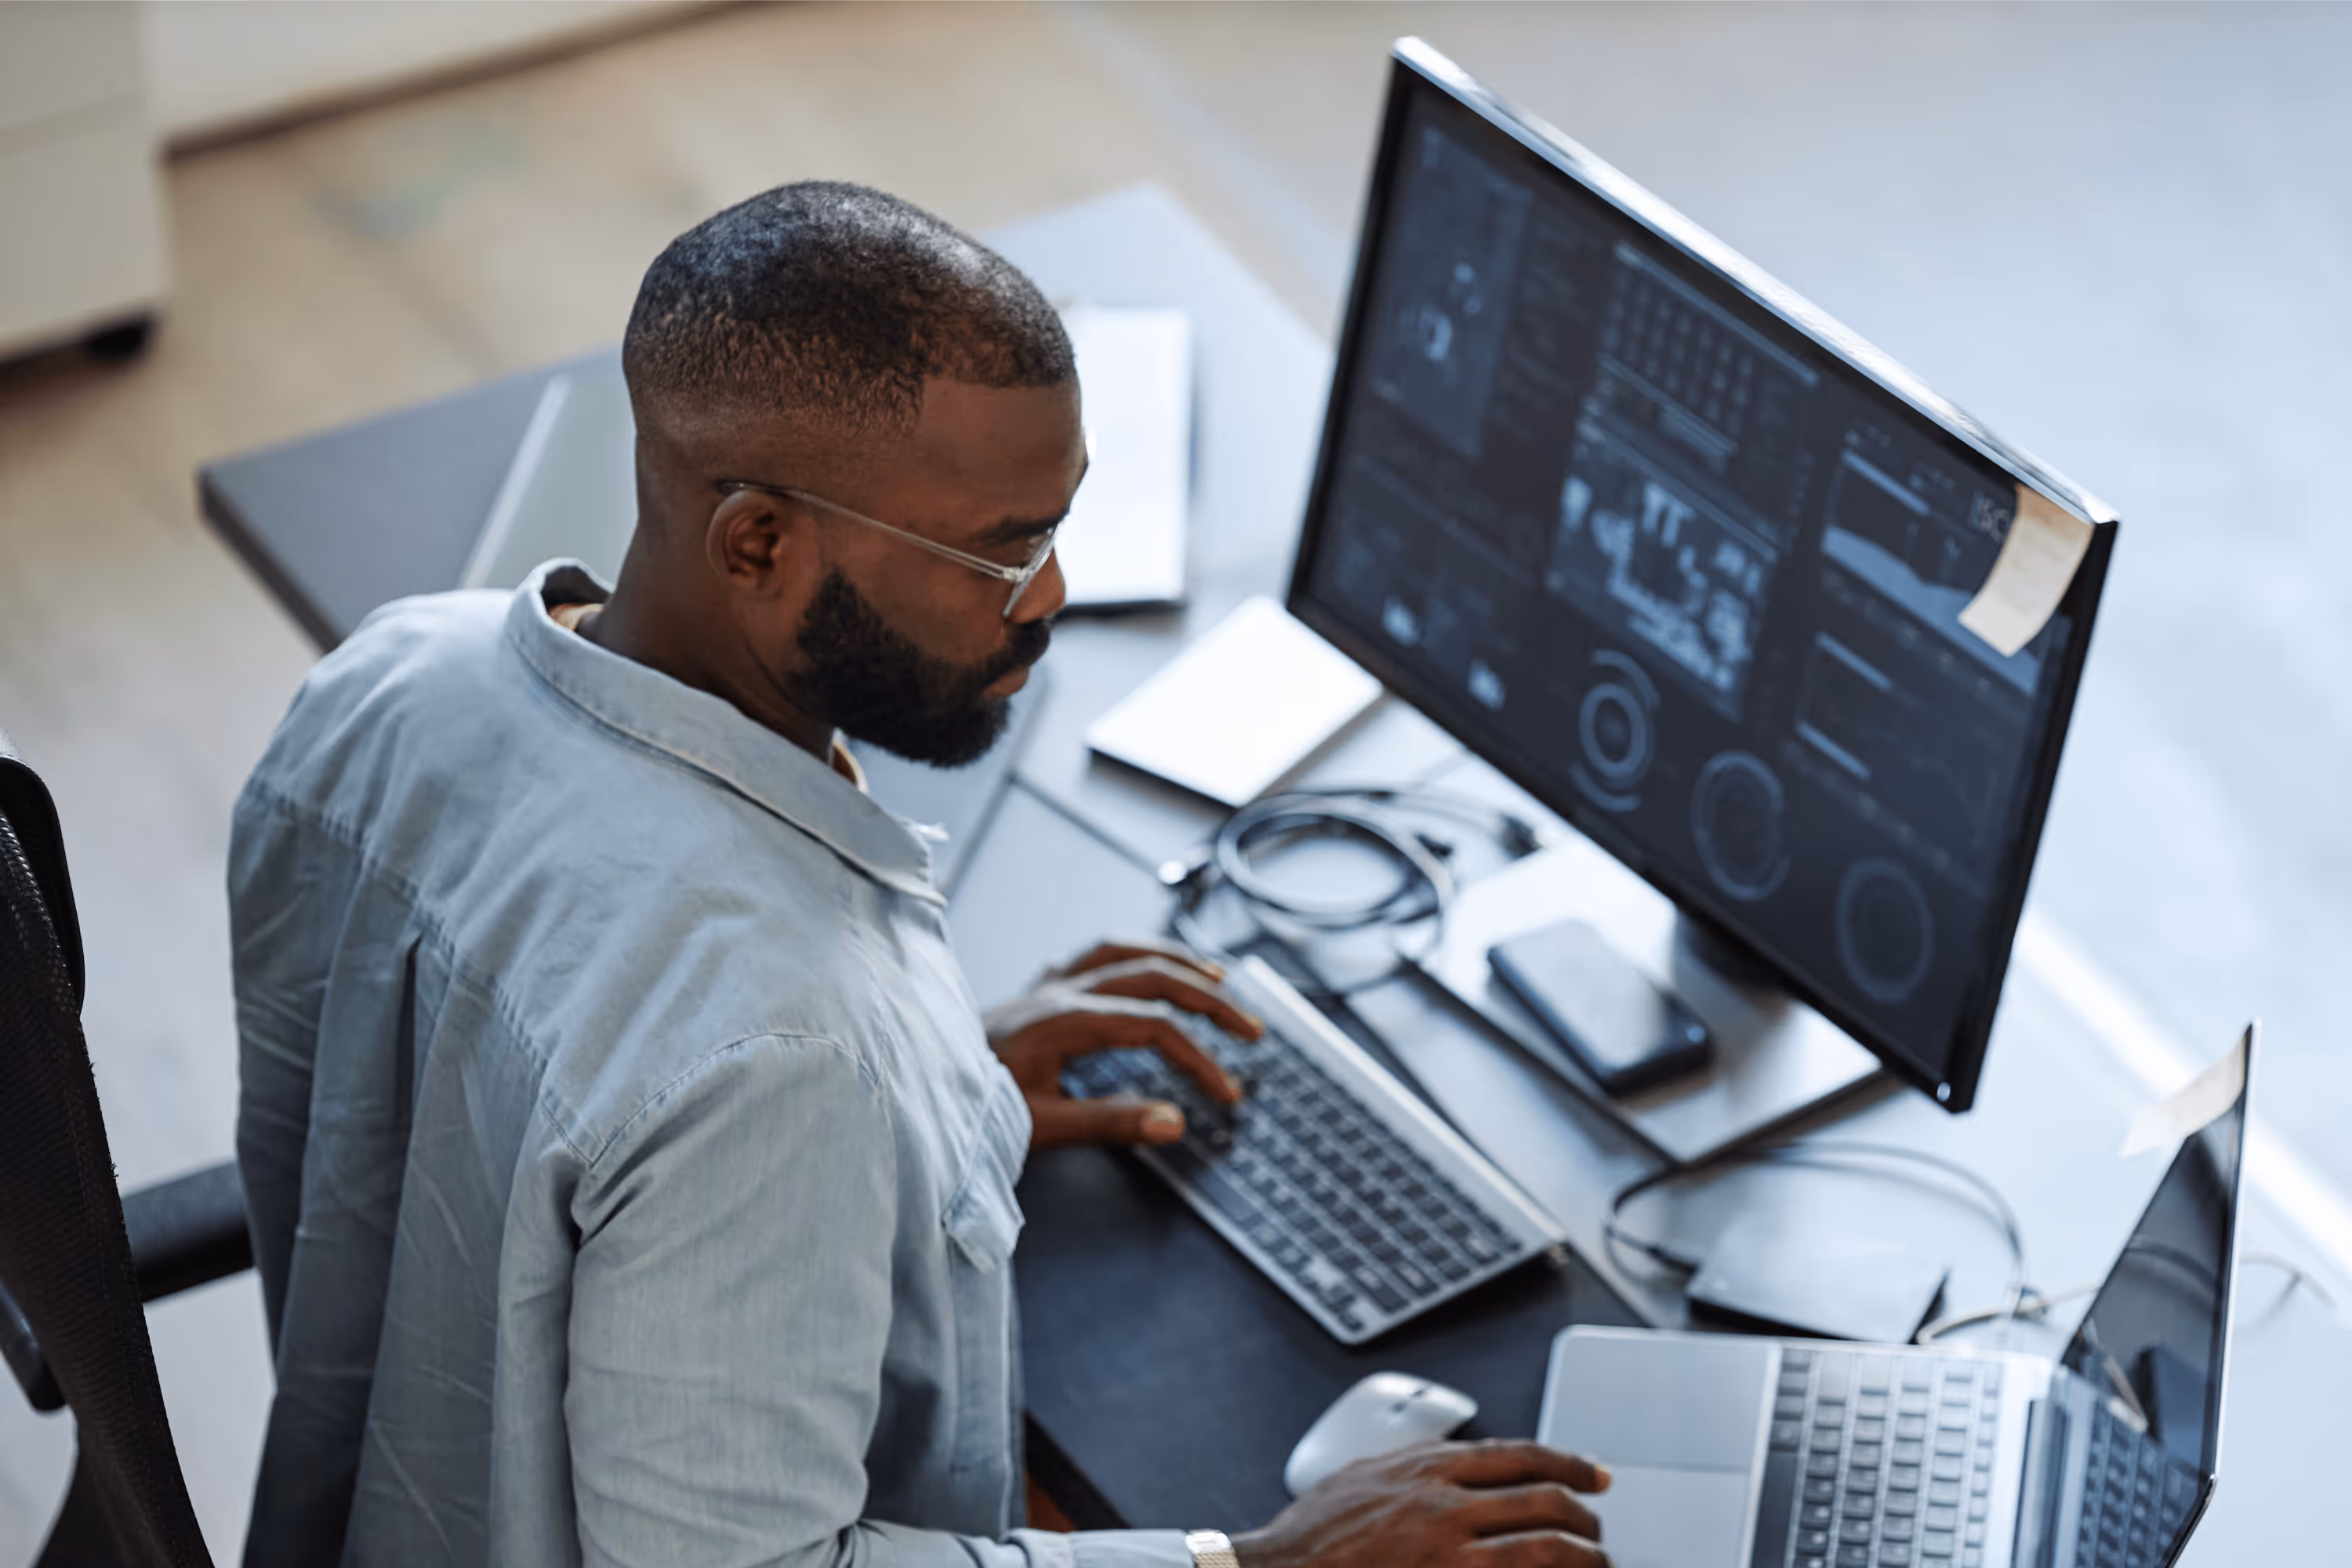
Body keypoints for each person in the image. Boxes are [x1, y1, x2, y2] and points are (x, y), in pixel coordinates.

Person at [229, 180, 1612, 1568]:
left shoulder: (390, 677)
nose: (1054, 598)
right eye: (1002, 555)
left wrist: (929, 1094)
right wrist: (1259, 1566)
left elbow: (528, 1082)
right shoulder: (776, 1055)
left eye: (1060, 526)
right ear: (759, 542)